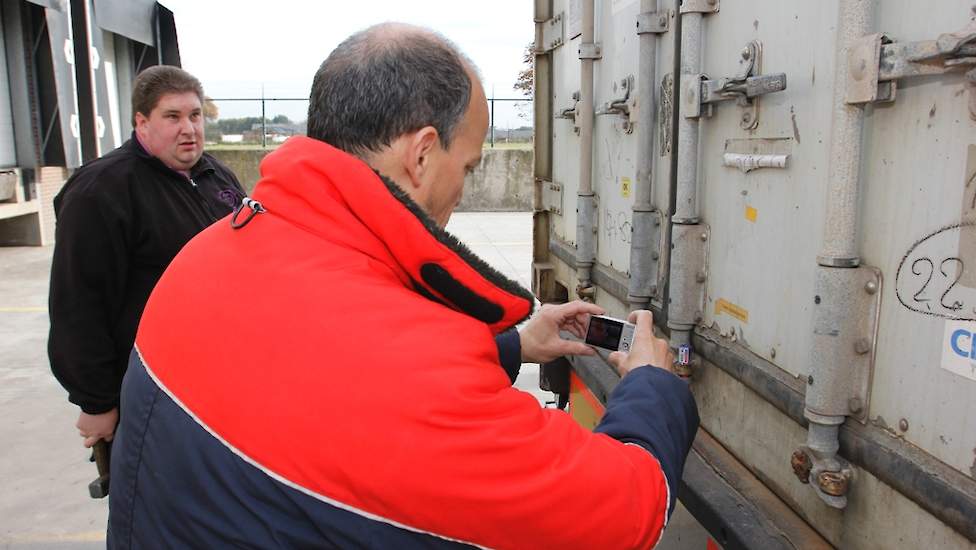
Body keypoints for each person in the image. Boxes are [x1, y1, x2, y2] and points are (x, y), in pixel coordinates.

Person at [108, 24, 698, 549]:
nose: (463, 190)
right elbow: (622, 512)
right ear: (421, 154)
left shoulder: (205, 255)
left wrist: (514, 345)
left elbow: (319, 377)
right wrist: (653, 385)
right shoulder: (411, 374)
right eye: (466, 166)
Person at [48, 65, 245, 449]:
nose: (189, 129)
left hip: (218, 380)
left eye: (195, 115)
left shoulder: (215, 176)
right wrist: (97, 401)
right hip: (149, 388)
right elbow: (78, 304)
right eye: (172, 116)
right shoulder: (101, 192)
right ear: (142, 121)